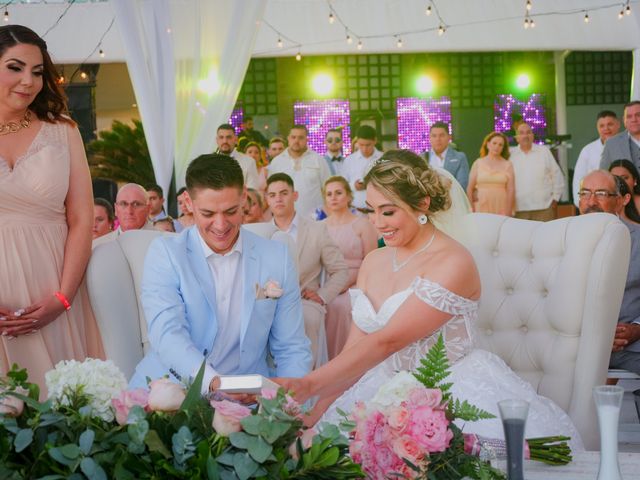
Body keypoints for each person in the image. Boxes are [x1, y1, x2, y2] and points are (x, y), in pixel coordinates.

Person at [275, 150, 583, 448]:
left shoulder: (453, 262)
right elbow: (354, 355)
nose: (378, 223)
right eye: (371, 210)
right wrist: (314, 413)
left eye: (389, 211)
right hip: (379, 388)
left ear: (422, 204)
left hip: (449, 395)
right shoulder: (374, 261)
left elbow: (387, 342)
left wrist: (309, 383)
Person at [129, 154, 312, 391]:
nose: (220, 225)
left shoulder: (277, 256)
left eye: (230, 211)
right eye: (207, 214)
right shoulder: (166, 253)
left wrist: (288, 405)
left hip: (250, 397)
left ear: (244, 197)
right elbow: (168, 334)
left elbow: (292, 347)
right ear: (188, 203)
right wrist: (214, 384)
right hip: (171, 389)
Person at [0, 25, 104, 395]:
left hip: (54, 296)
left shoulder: (63, 130)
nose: (28, 81)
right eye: (15, 67)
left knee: (62, 411)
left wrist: (62, 298)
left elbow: (81, 218)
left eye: (37, 71)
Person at [266, 173, 349, 367]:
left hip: (304, 302)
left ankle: (306, 382)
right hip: (267, 304)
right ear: (267, 199)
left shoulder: (316, 230)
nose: (278, 198)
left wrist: (322, 295)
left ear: (295, 196)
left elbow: (340, 270)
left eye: (283, 193)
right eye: (272, 194)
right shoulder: (260, 233)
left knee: (307, 318)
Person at [578, 170, 640, 374]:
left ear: (622, 200)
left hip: (629, 344)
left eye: (601, 193)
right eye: (585, 193)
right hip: (573, 345)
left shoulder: (638, 239)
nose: (591, 201)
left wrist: (637, 328)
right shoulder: (558, 238)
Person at [322, 176, 378, 358]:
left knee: (343, 305)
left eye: (338, 193)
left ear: (348, 196)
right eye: (329, 194)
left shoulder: (362, 225)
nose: (334, 198)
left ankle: (347, 358)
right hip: (326, 281)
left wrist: (347, 283)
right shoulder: (319, 227)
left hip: (358, 282)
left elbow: (371, 260)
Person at [268, 125, 331, 219]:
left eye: (301, 137)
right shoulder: (277, 162)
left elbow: (328, 189)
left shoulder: (318, 160)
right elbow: (271, 192)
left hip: (315, 219)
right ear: (288, 139)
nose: (296, 141)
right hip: (285, 219)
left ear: (307, 139)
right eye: (293, 137)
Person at [510, 120, 565, 221]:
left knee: (546, 237)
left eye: (528, 132)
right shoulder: (510, 155)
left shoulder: (544, 151)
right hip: (519, 210)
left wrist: (555, 198)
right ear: (516, 138)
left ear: (533, 135)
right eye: (521, 133)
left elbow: (557, 175)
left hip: (544, 208)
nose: (525, 136)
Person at [572, 111, 620, 206]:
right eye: (602, 126)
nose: (606, 128)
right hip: (595, 202)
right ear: (597, 128)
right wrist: (580, 203)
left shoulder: (626, 147)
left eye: (610, 124)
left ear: (618, 124)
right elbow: (578, 178)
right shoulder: (588, 150)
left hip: (621, 201)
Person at [467, 131, 515, 216]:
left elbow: (511, 190)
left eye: (500, 145)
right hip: (481, 206)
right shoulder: (478, 163)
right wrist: (471, 209)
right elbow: (470, 188)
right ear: (488, 144)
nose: (497, 147)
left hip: (501, 205)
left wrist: (508, 212)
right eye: (494, 143)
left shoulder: (508, 165)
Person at [92, 183, 154, 248]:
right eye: (123, 204)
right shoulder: (97, 246)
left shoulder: (163, 241)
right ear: (116, 209)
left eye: (136, 204)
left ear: (148, 209)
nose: (129, 211)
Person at [341, 125, 383, 212]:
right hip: (356, 211)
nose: (364, 149)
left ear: (375, 141)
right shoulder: (349, 160)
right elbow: (342, 185)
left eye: (368, 145)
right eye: (361, 145)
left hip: (379, 211)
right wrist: (354, 186)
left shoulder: (383, 158)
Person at [425, 121, 470, 190]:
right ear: (429, 138)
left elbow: (462, 185)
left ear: (449, 137)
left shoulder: (459, 157)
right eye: (434, 136)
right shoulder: (422, 158)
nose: (438, 139)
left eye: (442, 135)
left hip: (453, 198)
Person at [215, 123, 260, 189]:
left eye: (229, 137)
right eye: (221, 137)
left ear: (236, 140)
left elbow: (252, 191)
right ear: (217, 140)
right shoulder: (209, 163)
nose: (225, 141)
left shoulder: (249, 162)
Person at [600, 101, 640, 171]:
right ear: (624, 120)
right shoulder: (611, 143)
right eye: (629, 116)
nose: (634, 120)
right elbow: (604, 174)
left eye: (638, 115)